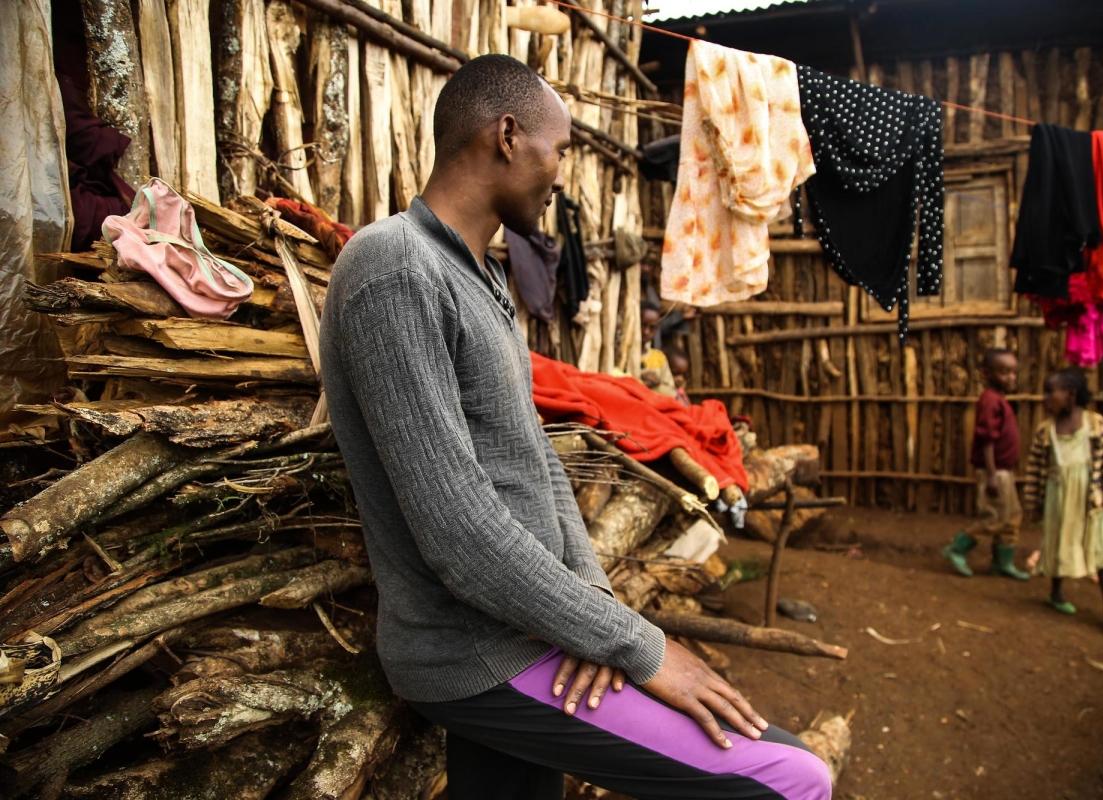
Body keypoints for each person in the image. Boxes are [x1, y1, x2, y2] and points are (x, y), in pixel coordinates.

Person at [319, 54, 831, 800]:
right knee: (790, 778)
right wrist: (643, 647)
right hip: (477, 649)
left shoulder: (476, 276)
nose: (561, 172)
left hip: (528, 631)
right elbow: (460, 535)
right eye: (558, 149)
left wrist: (593, 617)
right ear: (506, 135)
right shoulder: (395, 269)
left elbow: (537, 464)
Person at [1024, 367, 1103, 627]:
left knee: (1101, 549)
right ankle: (1056, 592)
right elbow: (1035, 470)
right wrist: (1033, 501)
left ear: (1070, 395)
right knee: (1059, 544)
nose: (1045, 398)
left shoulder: (1095, 424)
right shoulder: (1045, 431)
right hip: (1058, 501)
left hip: (1091, 501)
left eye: (1050, 392)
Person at [942, 348, 1029, 579]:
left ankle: (1003, 562)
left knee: (1012, 517)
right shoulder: (990, 400)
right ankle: (957, 548)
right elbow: (986, 439)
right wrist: (991, 474)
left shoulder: (1000, 400)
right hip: (995, 471)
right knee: (994, 517)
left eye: (1013, 372)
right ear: (987, 374)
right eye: (1003, 372)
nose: (1010, 377)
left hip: (1004, 471)